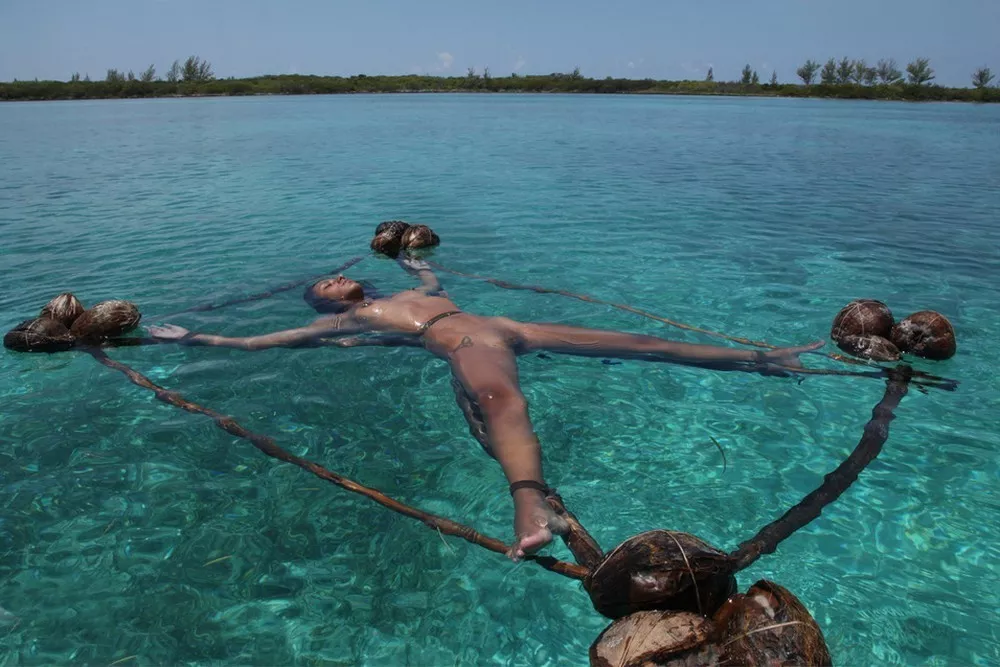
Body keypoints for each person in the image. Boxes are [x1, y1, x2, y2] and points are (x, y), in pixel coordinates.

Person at [149, 259, 824, 560]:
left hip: (504, 323)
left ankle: (764, 357)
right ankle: (529, 499)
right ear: (326, 304)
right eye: (323, 284)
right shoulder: (350, 319)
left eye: (336, 274)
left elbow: (435, 282)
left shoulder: (400, 293)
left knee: (640, 342)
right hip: (466, 342)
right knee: (500, 397)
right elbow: (261, 340)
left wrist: (417, 266)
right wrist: (201, 338)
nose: (335, 278)